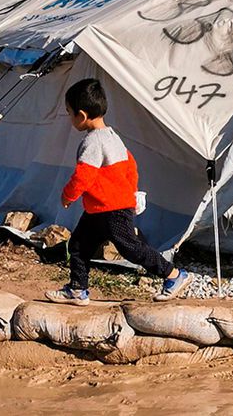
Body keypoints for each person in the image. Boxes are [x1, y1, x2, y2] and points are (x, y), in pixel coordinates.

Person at [46, 78, 191, 305]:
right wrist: (132, 192)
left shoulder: (92, 142)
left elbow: (83, 175)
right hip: (100, 208)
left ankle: (173, 275)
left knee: (131, 249)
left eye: (69, 113)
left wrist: (67, 196)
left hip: (112, 209)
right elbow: (131, 167)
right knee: (78, 245)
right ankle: (77, 289)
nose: (69, 118)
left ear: (82, 116)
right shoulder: (113, 137)